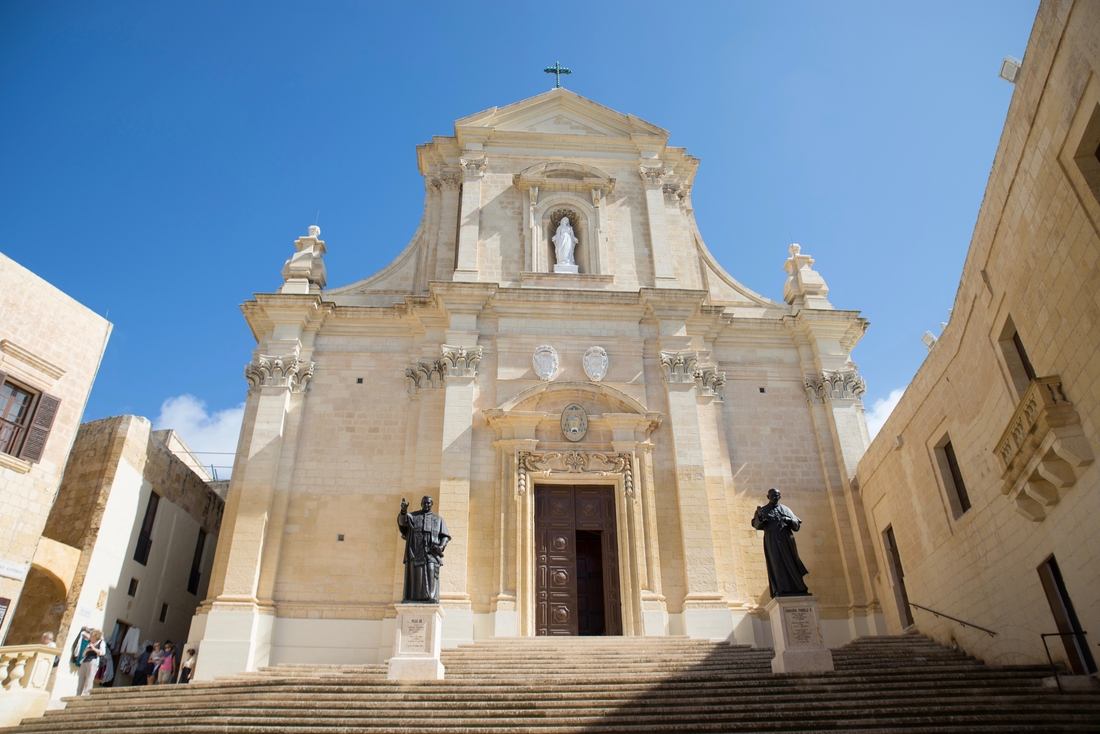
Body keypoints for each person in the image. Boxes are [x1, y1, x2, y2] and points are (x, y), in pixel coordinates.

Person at [751, 488, 810, 598]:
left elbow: (796, 525)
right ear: (768, 497)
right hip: (772, 540)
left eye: (777, 495)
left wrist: (788, 519)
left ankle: (799, 587)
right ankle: (780, 588)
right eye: (773, 495)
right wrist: (760, 517)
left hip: (787, 540)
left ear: (780, 496)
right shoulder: (762, 510)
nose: (775, 497)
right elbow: (756, 525)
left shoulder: (786, 509)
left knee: (792, 562)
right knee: (776, 563)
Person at [397, 495, 451, 603]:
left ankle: (431, 597)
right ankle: (413, 598)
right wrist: (403, 512)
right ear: (421, 504)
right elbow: (402, 523)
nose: (426, 505)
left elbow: (445, 536)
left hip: (432, 552)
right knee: (416, 575)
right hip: (416, 551)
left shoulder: (438, 519)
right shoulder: (413, 516)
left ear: (432, 504)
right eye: (425, 503)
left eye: (429, 503)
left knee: (431, 571)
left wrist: (441, 546)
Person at [77, 629, 106, 696]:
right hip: (85, 661)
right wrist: (87, 650)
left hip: (93, 661)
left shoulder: (101, 642)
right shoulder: (90, 643)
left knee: (89, 680)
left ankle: (85, 696)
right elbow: (83, 654)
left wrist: (93, 648)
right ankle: (77, 695)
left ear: (95, 636)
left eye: (91, 636)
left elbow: (102, 652)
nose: (90, 637)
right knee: (81, 679)